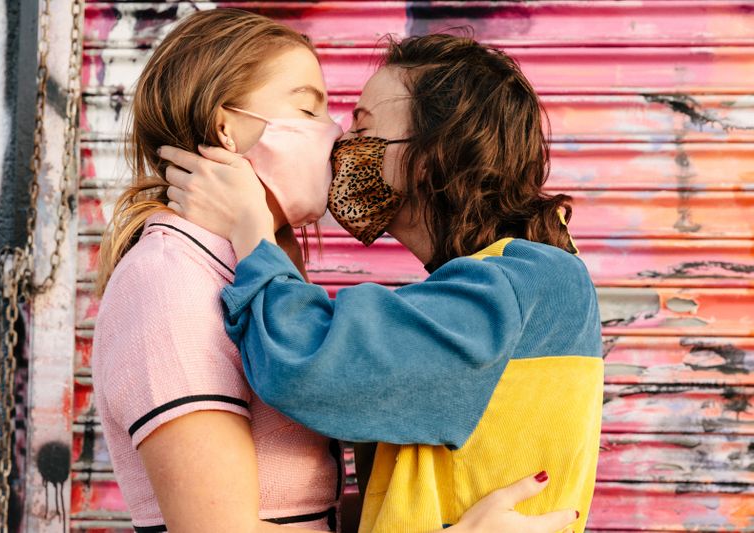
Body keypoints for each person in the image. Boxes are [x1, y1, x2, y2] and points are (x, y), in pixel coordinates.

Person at [93, 9, 579, 533]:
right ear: (225, 129)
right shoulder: (170, 280)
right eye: (308, 109)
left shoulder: (247, 274)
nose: (337, 139)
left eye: (350, 122)